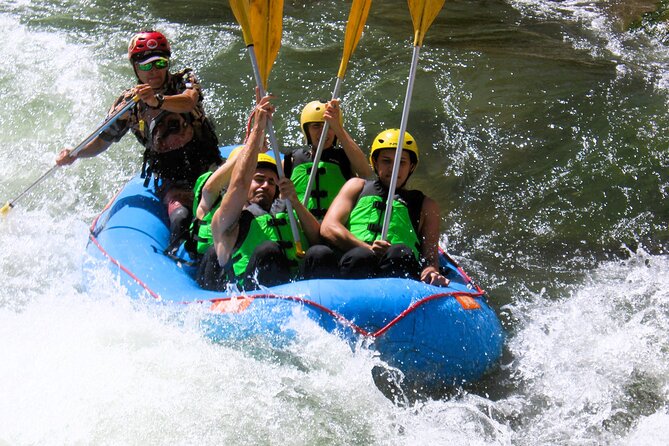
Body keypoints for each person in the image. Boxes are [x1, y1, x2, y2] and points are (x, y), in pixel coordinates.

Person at [56, 30, 222, 245]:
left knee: (227, 211)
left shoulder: (184, 81)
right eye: (145, 66)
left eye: (159, 64)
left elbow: (188, 102)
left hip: (207, 164)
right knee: (180, 218)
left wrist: (157, 100)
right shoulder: (128, 104)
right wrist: (76, 154)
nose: (153, 71)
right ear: (135, 67)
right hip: (172, 176)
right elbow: (102, 140)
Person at [197, 96, 335, 291]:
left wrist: (295, 201)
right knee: (268, 250)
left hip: (298, 294)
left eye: (271, 182)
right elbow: (239, 183)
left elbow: (316, 239)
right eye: (259, 180)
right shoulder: (227, 222)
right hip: (252, 297)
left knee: (321, 252)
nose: (265, 186)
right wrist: (258, 129)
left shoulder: (286, 213)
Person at [320, 129, 449, 286]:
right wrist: (368, 249)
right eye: (386, 161)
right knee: (359, 256)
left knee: (400, 252)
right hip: (355, 261)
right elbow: (328, 227)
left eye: (401, 162)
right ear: (375, 162)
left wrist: (431, 272)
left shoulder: (427, 205)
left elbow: (429, 258)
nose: (393, 168)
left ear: (411, 166)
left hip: (398, 265)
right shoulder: (356, 186)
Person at [283, 99, 373, 220]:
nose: (323, 132)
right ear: (307, 131)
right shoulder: (292, 160)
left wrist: (338, 127)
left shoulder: (345, 158)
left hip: (334, 228)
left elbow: (366, 174)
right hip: (300, 231)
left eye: (329, 126)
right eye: (316, 126)